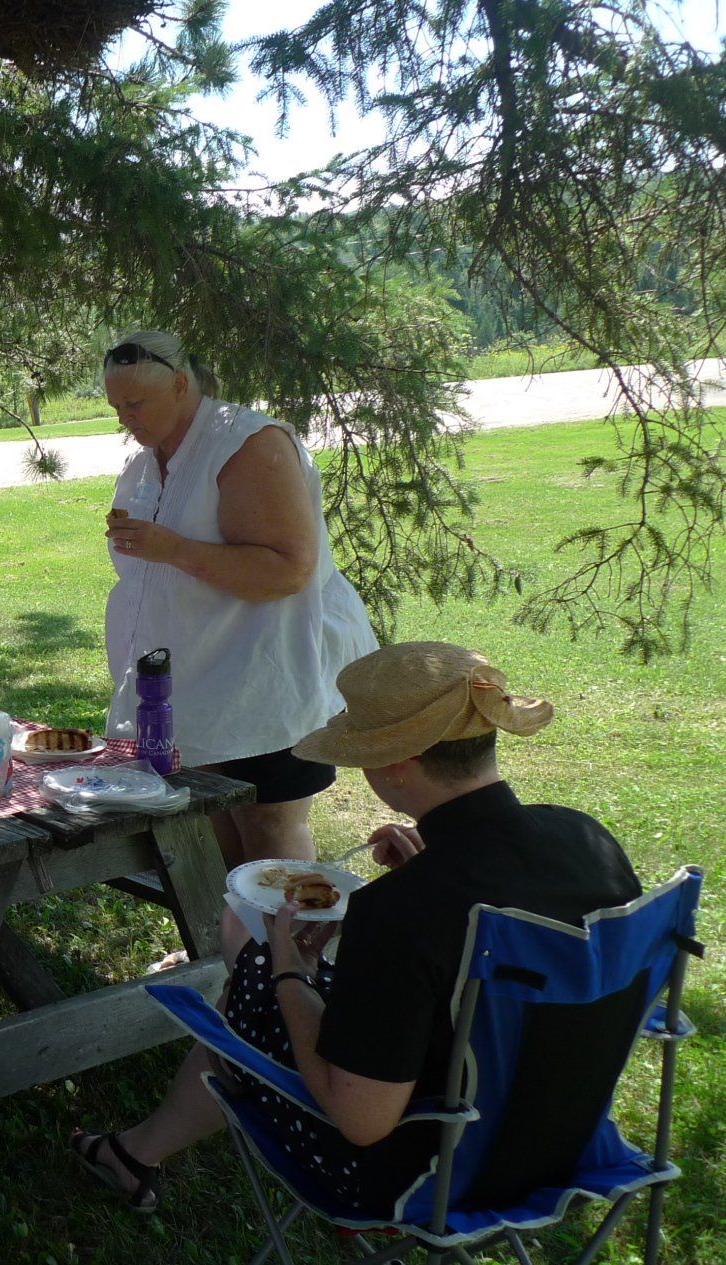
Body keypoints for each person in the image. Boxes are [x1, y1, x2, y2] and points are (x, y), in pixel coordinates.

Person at [69, 642, 642, 1216]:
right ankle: (134, 1151)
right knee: (262, 973)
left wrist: (289, 972)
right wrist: (428, 869)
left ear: (395, 765)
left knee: (252, 975)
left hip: (433, 1175)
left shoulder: (400, 909)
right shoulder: (587, 840)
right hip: (569, 1139)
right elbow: (504, 939)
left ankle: (134, 1152)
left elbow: (361, 1121)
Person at [101, 330, 376, 869]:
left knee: (268, 823)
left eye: (135, 403)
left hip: (265, 671)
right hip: (195, 676)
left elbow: (288, 570)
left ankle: (286, 927)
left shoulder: (249, 444)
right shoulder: (145, 463)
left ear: (181, 386)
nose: (125, 418)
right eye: (116, 407)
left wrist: (172, 549)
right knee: (209, 817)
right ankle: (232, 925)